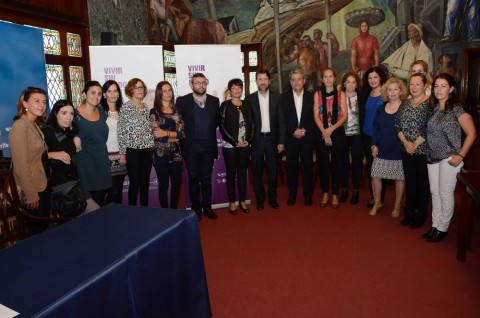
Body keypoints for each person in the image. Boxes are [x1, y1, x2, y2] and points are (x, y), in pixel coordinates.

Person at [423, 73, 476, 242]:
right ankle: (435, 225)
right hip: (432, 158)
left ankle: (443, 228)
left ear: (451, 89)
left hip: (450, 159)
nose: (439, 89)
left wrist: (461, 155)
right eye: (436, 86)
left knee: (445, 193)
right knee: (435, 193)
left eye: (443, 86)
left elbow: (472, 133)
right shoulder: (434, 109)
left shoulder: (457, 109)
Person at [43, 99, 100, 214]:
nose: (68, 117)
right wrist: (51, 154)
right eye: (64, 113)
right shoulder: (47, 131)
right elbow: (34, 157)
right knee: (95, 213)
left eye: (71, 113)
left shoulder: (69, 132)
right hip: (60, 187)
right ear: (55, 114)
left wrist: (75, 137)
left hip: (74, 184)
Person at [176, 73, 220, 221]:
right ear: (191, 84)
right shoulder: (183, 101)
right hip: (191, 147)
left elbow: (216, 122)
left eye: (203, 83)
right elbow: (178, 123)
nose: (201, 85)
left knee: (207, 178)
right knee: (193, 179)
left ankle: (207, 207)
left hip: (208, 146)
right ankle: (196, 208)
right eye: (197, 83)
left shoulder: (215, 101)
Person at [9, 87, 50, 235]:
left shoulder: (33, 124)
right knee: (35, 232)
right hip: (32, 189)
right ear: (25, 104)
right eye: (36, 101)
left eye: (44, 102)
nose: (41, 105)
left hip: (42, 183)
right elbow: (21, 166)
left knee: (42, 229)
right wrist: (31, 194)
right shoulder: (20, 127)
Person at [394, 73, 430, 229]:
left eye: (418, 84)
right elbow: (397, 125)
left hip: (422, 151)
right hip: (405, 149)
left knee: (422, 184)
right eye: (412, 84)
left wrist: (414, 144)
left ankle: (421, 214)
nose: (414, 87)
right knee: (410, 183)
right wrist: (405, 142)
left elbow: (430, 128)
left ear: (424, 86)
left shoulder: (430, 104)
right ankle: (408, 212)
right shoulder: (405, 103)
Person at [369, 78, 407, 217]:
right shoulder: (380, 109)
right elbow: (376, 129)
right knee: (375, 176)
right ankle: (378, 202)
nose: (392, 92)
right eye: (389, 89)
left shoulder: (405, 107)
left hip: (399, 149)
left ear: (400, 91)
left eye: (395, 89)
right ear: (386, 91)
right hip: (382, 148)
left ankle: (397, 206)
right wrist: (374, 145)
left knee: (399, 178)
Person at [245, 69, 281, 210]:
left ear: (269, 81)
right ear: (256, 81)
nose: (262, 82)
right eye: (260, 79)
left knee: (273, 172)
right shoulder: (249, 99)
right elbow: (247, 122)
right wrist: (247, 140)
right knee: (257, 171)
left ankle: (272, 198)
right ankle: (260, 198)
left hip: (272, 139)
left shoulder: (277, 98)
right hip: (256, 140)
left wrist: (281, 141)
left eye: (265, 79)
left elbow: (281, 121)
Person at [278, 69, 315, 206]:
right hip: (291, 138)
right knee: (291, 169)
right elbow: (282, 119)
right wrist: (293, 130)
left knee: (308, 168)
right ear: (290, 82)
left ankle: (308, 195)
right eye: (293, 79)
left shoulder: (312, 97)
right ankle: (292, 195)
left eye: (299, 79)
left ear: (304, 81)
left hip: (307, 138)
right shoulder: (283, 97)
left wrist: (304, 130)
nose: (296, 82)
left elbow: (315, 117)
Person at [313, 68, 348, 208]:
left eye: (330, 77)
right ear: (323, 79)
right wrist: (325, 132)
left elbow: (344, 116)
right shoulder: (317, 95)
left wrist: (331, 130)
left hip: (337, 133)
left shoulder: (341, 95)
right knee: (323, 165)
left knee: (336, 165)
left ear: (335, 79)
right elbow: (316, 115)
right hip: (321, 133)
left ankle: (334, 194)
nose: (328, 79)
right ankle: (325, 192)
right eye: (325, 77)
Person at [219, 79, 254, 215]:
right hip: (230, 145)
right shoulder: (225, 105)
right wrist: (234, 141)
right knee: (231, 173)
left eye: (239, 87)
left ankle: (242, 201)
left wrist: (249, 140)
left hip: (245, 145)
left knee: (242, 173)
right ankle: (232, 202)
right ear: (230, 90)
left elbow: (252, 124)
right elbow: (222, 126)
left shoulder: (247, 104)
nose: (237, 90)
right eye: (234, 88)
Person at [117, 78, 154, 207]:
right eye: (136, 87)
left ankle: (144, 210)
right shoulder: (126, 107)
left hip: (147, 150)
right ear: (130, 90)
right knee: (135, 182)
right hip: (132, 151)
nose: (140, 90)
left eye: (141, 87)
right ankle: (132, 211)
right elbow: (121, 131)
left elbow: (147, 129)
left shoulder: (145, 106)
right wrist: (122, 153)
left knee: (145, 183)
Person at [75, 81, 111, 206]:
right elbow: (61, 132)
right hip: (85, 162)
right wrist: (73, 137)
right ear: (84, 94)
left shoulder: (102, 111)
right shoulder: (74, 114)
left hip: (101, 161)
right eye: (93, 93)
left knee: (100, 203)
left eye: (100, 94)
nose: (96, 96)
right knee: (88, 207)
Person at [150, 81, 185, 209]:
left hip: (176, 154)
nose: (168, 93)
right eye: (164, 91)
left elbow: (182, 135)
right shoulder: (155, 112)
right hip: (160, 154)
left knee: (176, 184)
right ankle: (165, 212)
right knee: (163, 185)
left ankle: (174, 210)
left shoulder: (177, 111)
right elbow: (156, 135)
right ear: (159, 93)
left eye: (169, 90)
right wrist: (174, 136)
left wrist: (165, 133)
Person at [359, 66, 388, 208]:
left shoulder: (387, 95)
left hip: (380, 138)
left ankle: (379, 198)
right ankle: (373, 196)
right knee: (371, 168)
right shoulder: (365, 93)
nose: (372, 80)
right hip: (366, 136)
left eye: (375, 77)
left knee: (380, 169)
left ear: (381, 78)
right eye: (370, 78)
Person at [101, 80, 127, 204]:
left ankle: (117, 219)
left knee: (118, 190)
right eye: (109, 91)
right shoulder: (99, 111)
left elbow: (127, 134)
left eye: (115, 90)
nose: (113, 94)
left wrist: (124, 154)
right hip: (105, 157)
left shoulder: (123, 111)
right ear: (104, 94)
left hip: (121, 156)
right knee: (111, 191)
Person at [340, 71, 363, 205]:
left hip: (357, 136)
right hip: (342, 135)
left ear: (357, 84)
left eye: (353, 82)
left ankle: (355, 191)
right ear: (344, 83)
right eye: (348, 82)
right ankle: (344, 190)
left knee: (356, 164)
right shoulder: (339, 97)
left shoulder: (361, 97)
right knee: (342, 163)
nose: (350, 85)